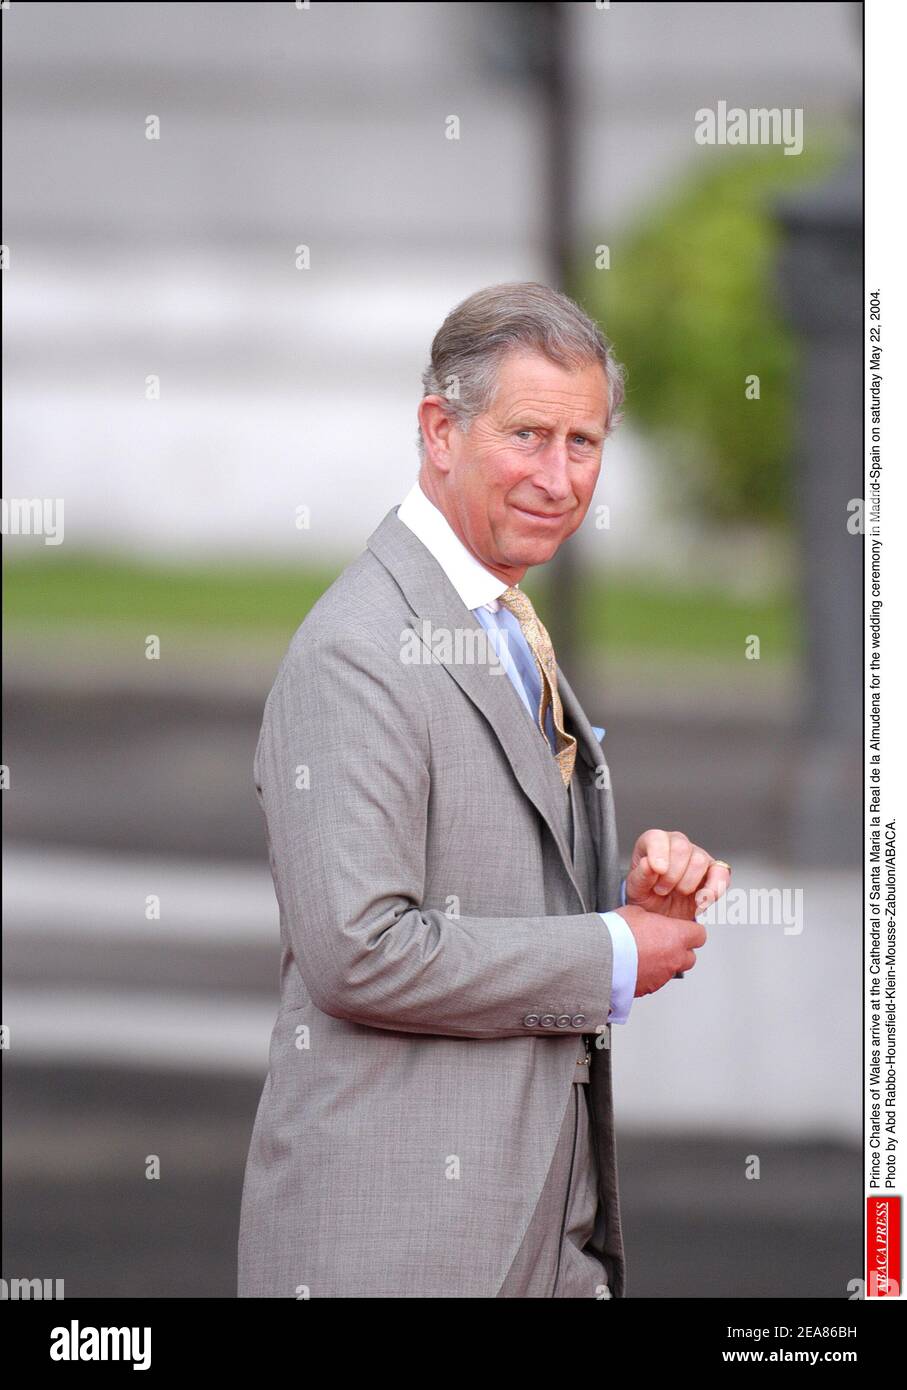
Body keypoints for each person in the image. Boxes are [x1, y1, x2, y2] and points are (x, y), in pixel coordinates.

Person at [237, 282, 730, 1298]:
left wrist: (633, 903)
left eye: (583, 442)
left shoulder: (499, 619)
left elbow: (508, 886)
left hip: (540, 1244)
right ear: (439, 431)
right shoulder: (356, 651)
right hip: (393, 1254)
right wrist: (611, 952)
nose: (558, 477)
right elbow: (359, 951)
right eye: (527, 436)